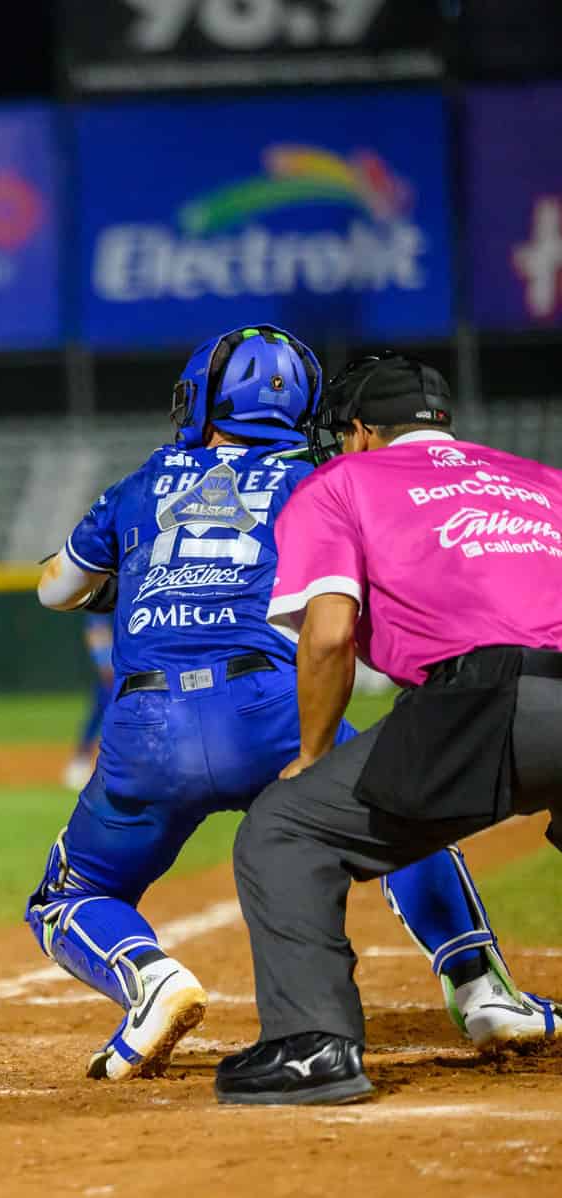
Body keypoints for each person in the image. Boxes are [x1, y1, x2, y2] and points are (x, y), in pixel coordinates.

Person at [29, 326, 548, 1084]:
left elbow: (56, 589)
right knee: (411, 801)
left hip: (147, 727)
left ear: (202, 399)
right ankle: (481, 989)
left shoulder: (143, 482)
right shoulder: (325, 475)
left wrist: (126, 581)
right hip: (271, 710)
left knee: (71, 894)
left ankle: (150, 979)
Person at [216, 353, 562, 1106]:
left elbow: (330, 634)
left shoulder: (340, 482)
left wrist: (312, 754)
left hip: (487, 700)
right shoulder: (541, 480)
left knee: (287, 830)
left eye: (344, 433)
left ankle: (312, 1048)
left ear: (365, 432)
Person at [62, 614, 115, 791]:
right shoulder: (102, 602)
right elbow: (96, 632)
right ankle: (81, 760)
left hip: (131, 669)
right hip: (115, 673)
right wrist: (106, 665)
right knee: (99, 712)